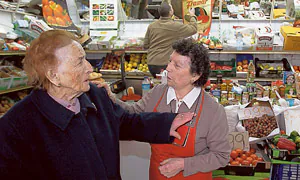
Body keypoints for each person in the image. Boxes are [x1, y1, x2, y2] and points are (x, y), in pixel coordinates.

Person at [0, 30, 195, 180]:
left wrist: (165, 124)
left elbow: (125, 122)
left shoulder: (95, 95)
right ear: (53, 76)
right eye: (79, 62)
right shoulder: (16, 126)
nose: (89, 67)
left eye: (85, 58)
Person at [102, 38, 231, 179]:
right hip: (157, 175)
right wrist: (109, 97)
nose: (168, 68)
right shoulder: (157, 93)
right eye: (170, 61)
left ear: (195, 75)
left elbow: (221, 156)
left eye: (177, 65)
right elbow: (131, 115)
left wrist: (184, 164)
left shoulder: (212, 110)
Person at [144, 1, 197, 78]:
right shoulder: (176, 26)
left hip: (151, 64)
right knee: (168, 86)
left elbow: (145, 45)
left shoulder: (151, 26)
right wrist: (192, 16)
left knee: (158, 85)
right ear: (170, 12)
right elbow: (193, 29)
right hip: (165, 65)